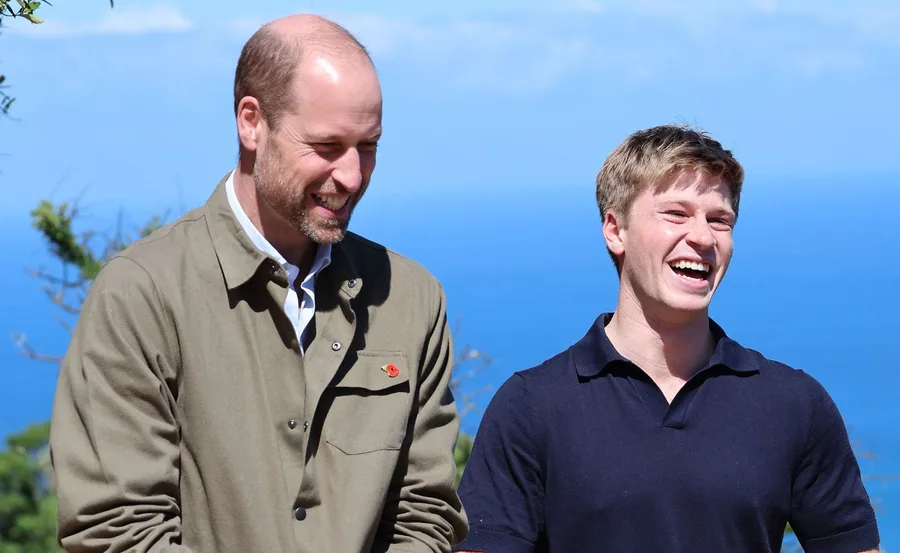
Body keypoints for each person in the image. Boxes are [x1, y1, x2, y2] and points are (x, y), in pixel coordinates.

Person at [49, 14, 468, 553]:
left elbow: (426, 513)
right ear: (251, 122)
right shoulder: (142, 293)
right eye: (326, 145)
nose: (353, 176)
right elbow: (116, 530)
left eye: (368, 146)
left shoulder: (410, 298)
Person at [453, 124, 880, 553]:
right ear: (615, 230)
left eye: (720, 220)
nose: (703, 237)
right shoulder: (532, 406)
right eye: (676, 214)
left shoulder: (793, 404)